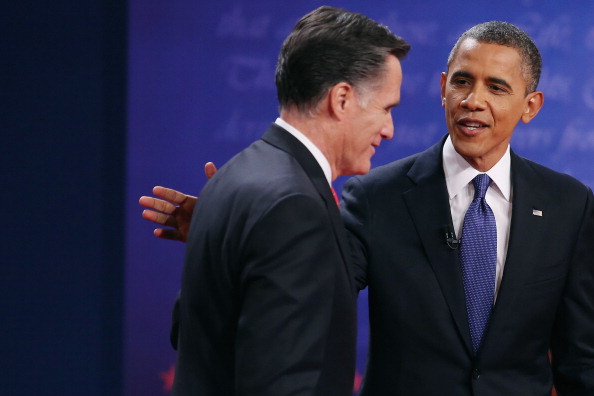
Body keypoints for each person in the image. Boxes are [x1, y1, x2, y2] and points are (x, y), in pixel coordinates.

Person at [142, 21, 594, 395]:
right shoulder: (375, 198)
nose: (473, 100)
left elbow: (580, 358)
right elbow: (295, 292)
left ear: (530, 106)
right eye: (462, 81)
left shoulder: (568, 206)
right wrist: (230, 238)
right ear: (442, 88)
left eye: (496, 87)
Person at [140, 6, 410, 396]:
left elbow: (191, 332)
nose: (388, 130)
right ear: (342, 99)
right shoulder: (294, 206)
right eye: (386, 108)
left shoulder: (233, 177)